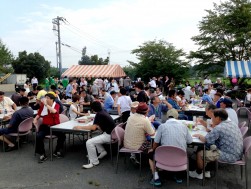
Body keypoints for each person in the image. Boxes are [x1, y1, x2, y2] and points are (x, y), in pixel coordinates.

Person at [191, 109, 243, 179]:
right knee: (208, 146)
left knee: (200, 154)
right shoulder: (231, 123)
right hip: (238, 152)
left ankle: (198, 173)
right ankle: (206, 170)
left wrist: (199, 135)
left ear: (218, 118)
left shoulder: (219, 127)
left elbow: (206, 139)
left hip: (230, 155)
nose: (211, 119)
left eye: (212, 117)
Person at [148, 109, 193, 186]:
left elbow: (156, 142)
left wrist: (152, 149)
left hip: (164, 158)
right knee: (187, 153)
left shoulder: (162, 126)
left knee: (150, 154)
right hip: (180, 159)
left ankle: (156, 177)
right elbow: (190, 142)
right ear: (177, 117)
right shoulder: (184, 127)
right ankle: (178, 175)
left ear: (167, 117)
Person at [73, 101, 116, 169]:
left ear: (92, 109)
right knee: (93, 136)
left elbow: (93, 127)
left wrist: (80, 127)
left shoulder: (99, 114)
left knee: (89, 142)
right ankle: (102, 151)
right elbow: (98, 126)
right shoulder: (103, 111)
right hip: (112, 133)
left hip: (109, 135)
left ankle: (94, 162)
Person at [33, 93, 66, 163]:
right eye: (45, 98)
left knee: (62, 136)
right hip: (46, 126)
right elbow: (39, 114)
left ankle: (57, 151)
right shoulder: (43, 106)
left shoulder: (56, 105)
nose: (45, 99)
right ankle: (42, 154)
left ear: (52, 99)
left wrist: (46, 105)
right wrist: (35, 119)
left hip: (55, 126)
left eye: (47, 98)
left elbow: (54, 111)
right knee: (39, 136)